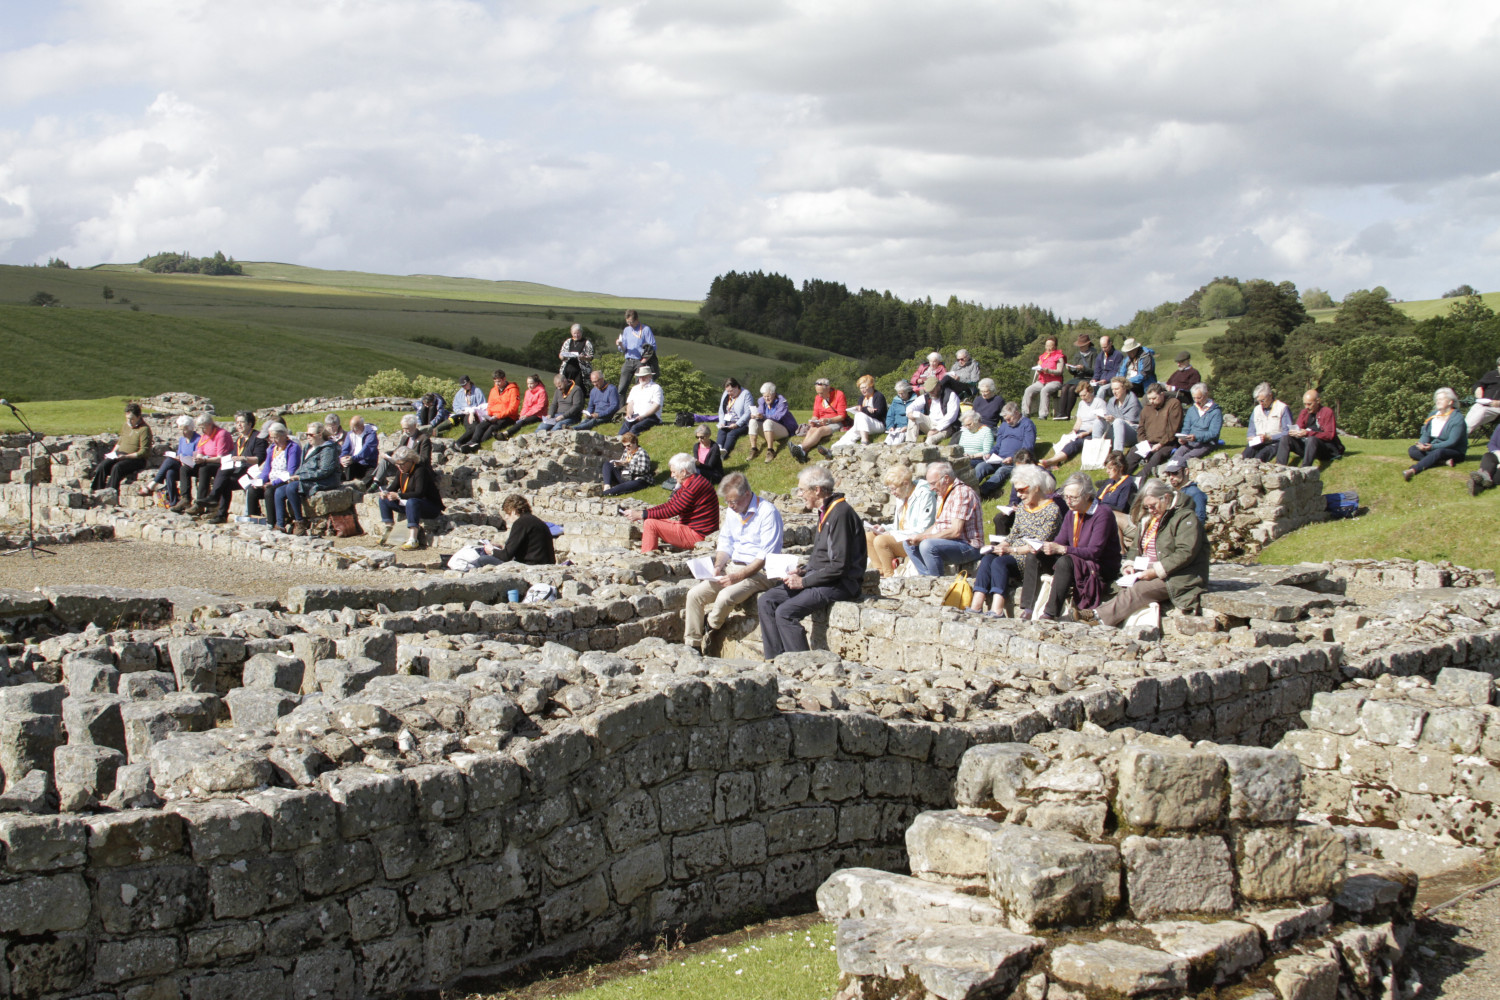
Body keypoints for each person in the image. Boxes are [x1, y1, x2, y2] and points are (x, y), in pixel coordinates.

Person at [758, 465, 866, 659]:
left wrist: (804, 582)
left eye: (802, 490)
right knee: (766, 600)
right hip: (822, 578)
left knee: (785, 613)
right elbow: (824, 557)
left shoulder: (840, 514)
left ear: (817, 490)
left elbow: (839, 566)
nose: (800, 495)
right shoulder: (826, 512)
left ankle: (803, 666)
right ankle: (774, 660)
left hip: (840, 583)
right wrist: (803, 571)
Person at [683, 472, 784, 652]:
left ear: (747, 494)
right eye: (727, 502)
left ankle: (710, 626)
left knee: (725, 596)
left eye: (733, 501)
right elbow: (726, 542)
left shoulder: (767, 512)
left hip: (759, 572)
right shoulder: (732, 511)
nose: (730, 506)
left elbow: (765, 555)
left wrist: (737, 576)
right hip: (732, 568)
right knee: (694, 595)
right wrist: (719, 565)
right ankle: (693, 645)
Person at [1096, 478, 1209, 627]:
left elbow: (1185, 552)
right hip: (1148, 570)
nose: (1150, 510)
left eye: (1153, 505)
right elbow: (1136, 547)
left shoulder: (1186, 518)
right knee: (1121, 586)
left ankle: (1098, 618)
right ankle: (1100, 614)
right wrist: (1130, 565)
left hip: (1179, 575)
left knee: (1138, 590)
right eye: (1147, 507)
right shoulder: (1148, 519)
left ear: (1166, 498)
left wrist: (1156, 571)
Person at [1020, 472, 1122, 622]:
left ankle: (1050, 613)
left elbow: (1094, 551)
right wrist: (1043, 547)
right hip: (1075, 559)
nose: (1068, 501)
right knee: (1034, 556)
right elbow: (1060, 541)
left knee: (1065, 561)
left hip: (1098, 565)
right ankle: (1028, 608)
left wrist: (1063, 549)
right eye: (1066, 497)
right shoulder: (1071, 513)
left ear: (1087, 496)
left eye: (1073, 498)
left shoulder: (1102, 514)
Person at [967, 465, 1061, 616]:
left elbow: (1038, 543)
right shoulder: (1023, 508)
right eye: (1017, 490)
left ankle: (997, 608)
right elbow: (1013, 535)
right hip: (1014, 552)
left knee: (999, 562)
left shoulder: (1052, 510)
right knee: (988, 558)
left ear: (1036, 487)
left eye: (1023, 490)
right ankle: (976, 603)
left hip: (1031, 558)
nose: (1019, 494)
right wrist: (1000, 546)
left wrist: (1011, 550)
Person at [903, 461, 983, 576]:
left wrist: (924, 537)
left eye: (933, 483)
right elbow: (937, 525)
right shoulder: (942, 494)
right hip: (949, 542)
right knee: (909, 544)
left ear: (946, 479)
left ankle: (936, 582)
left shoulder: (962, 493)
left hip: (968, 546)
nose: (931, 488)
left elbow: (955, 531)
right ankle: (926, 579)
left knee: (927, 545)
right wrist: (918, 537)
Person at [626, 453, 718, 552]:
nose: (672, 475)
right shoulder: (692, 482)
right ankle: (649, 552)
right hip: (693, 529)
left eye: (674, 472)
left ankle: (647, 558)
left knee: (650, 524)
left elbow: (674, 510)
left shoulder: (694, 486)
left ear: (683, 472)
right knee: (649, 518)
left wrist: (642, 514)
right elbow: (670, 504)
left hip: (698, 535)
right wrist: (643, 513)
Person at [865, 463, 938, 577]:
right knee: (868, 537)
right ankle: (879, 572)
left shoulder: (925, 496)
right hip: (901, 536)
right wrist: (884, 528)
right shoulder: (902, 495)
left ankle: (890, 576)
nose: (892, 493)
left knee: (881, 541)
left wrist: (893, 533)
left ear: (906, 484)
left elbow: (923, 529)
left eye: (894, 489)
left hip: (915, 540)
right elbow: (899, 524)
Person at [274, 423, 339, 535]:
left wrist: (300, 477)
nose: (307, 437)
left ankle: (300, 522)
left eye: (310, 434)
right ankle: (280, 524)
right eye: (306, 434)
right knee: (279, 491)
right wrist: (294, 476)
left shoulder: (328, 449)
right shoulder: (307, 447)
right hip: (306, 478)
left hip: (324, 480)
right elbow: (302, 467)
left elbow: (325, 471)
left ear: (319, 434)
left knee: (291, 488)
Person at [202, 411, 267, 524]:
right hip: (239, 470)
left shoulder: (258, 438)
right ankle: (221, 513)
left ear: (250, 424)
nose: (239, 425)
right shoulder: (239, 439)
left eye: (242, 422)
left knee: (224, 478)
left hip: (252, 472)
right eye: (237, 422)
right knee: (224, 478)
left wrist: (244, 458)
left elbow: (260, 459)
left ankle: (214, 498)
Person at [376, 445, 445, 550]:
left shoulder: (421, 471)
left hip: (429, 506)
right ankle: (388, 529)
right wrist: (385, 493)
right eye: (397, 465)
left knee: (412, 502)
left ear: (410, 461)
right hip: (409, 504)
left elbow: (419, 493)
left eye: (402, 464)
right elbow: (393, 487)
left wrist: (398, 495)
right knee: (383, 499)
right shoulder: (401, 471)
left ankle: (413, 539)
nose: (399, 467)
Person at [467, 495, 556, 566]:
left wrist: (492, 551)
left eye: (507, 513)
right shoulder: (537, 521)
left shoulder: (520, 523)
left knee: (482, 559)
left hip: (530, 565)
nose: (506, 517)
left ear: (513, 511)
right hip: (546, 563)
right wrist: (501, 548)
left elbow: (506, 556)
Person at [974, 402, 1037, 498]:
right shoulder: (1004, 425)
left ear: (1016, 413)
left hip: (1014, 461)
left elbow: (1028, 447)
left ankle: (980, 493)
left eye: (1009, 419)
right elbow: (998, 444)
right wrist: (990, 454)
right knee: (980, 467)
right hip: (998, 458)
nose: (1007, 422)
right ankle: (969, 488)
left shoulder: (1027, 424)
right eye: (1005, 419)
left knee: (1001, 472)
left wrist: (1013, 458)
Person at [173, 413, 233, 514]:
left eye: (203, 428)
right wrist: (198, 458)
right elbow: (200, 451)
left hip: (218, 464)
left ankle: (200, 503)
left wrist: (204, 460)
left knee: (204, 469)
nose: (202, 431)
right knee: (185, 469)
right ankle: (185, 498)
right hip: (204, 462)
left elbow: (221, 457)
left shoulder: (221, 434)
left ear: (209, 425)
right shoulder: (205, 436)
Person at [1040, 381, 1107, 471]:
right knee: (1066, 439)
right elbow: (1079, 420)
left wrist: (1086, 433)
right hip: (1081, 431)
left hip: (1092, 432)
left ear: (1090, 392)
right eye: (1081, 396)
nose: (1083, 398)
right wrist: (1074, 430)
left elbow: (1100, 422)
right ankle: (1054, 463)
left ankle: (1050, 461)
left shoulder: (1099, 402)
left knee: (1075, 443)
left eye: (1085, 395)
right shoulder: (1081, 404)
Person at [1404, 387, 1467, 481]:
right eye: (1437, 399)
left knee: (1439, 452)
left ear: (1450, 402)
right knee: (1412, 450)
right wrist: (1422, 445)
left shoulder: (1457, 419)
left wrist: (1432, 447)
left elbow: (1452, 442)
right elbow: (1426, 434)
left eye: (1441, 399)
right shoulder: (1433, 415)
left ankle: (1413, 470)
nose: (1438, 401)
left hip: (1453, 450)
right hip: (1434, 448)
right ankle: (1443, 462)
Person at [1123, 383, 1183, 480]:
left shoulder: (1173, 404)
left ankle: (1138, 479)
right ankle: (1120, 477)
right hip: (1148, 442)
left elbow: (1172, 429)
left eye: (1154, 398)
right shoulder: (1147, 409)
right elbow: (1141, 428)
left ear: (1162, 394)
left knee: (1157, 456)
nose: (1152, 401)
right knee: (1133, 452)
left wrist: (1160, 444)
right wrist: (1143, 442)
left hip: (1167, 443)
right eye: (1149, 399)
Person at [243, 423, 299, 524]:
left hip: (284, 480)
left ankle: (271, 522)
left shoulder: (292, 448)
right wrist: (260, 481)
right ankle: (253, 520)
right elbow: (266, 469)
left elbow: (291, 471)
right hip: (271, 479)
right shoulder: (271, 449)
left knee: (269, 491)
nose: (273, 441)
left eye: (276, 438)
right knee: (252, 490)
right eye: (272, 438)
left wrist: (273, 483)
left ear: (283, 435)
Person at [91, 402, 153, 492]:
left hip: (136, 459)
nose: (129, 421)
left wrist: (126, 456)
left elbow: (144, 452)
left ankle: (110, 492)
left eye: (132, 419)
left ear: (138, 417)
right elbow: (120, 442)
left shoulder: (144, 429)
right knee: (103, 466)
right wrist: (112, 453)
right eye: (127, 418)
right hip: (121, 454)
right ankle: (95, 490)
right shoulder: (126, 425)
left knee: (117, 467)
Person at [455, 370, 520, 452]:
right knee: (480, 426)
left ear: (504, 379)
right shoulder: (493, 390)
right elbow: (490, 405)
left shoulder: (513, 390)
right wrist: (490, 415)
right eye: (495, 382)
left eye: (499, 381)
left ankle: (476, 444)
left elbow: (513, 408)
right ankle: (472, 442)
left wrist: (498, 416)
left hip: (508, 417)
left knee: (492, 428)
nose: (497, 384)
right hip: (493, 416)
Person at [367, 413, 432, 490]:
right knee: (385, 460)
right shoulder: (405, 437)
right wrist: (388, 454)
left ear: (414, 425)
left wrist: (409, 458)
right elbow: (397, 451)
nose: (405, 431)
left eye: (407, 428)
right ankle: (376, 483)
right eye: (403, 428)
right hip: (401, 464)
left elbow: (425, 459)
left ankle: (372, 482)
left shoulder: (423, 439)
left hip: (413, 466)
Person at [791, 378, 850, 461]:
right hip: (821, 421)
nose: (819, 396)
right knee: (812, 429)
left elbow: (842, 416)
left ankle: (800, 447)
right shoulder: (818, 398)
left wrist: (828, 420)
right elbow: (815, 414)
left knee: (820, 430)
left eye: (821, 393)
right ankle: (803, 452)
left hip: (835, 421)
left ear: (828, 388)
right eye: (818, 393)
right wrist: (813, 420)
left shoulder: (839, 395)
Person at [1284, 388, 1342, 467]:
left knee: (1312, 439)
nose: (1307, 407)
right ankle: (1279, 466)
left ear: (1318, 401)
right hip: (1308, 447)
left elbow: (1329, 435)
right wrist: (1295, 432)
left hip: (1324, 448)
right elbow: (1299, 427)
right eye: (1305, 404)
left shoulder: (1327, 412)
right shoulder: (1304, 412)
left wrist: (1308, 433)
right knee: (1286, 438)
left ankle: (1305, 469)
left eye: (1309, 404)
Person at [1169, 384, 1223, 465]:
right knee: (1176, 455)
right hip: (1190, 442)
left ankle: (1177, 471)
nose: (1196, 401)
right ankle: (1168, 472)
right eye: (1194, 398)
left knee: (1187, 457)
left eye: (1199, 397)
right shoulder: (1192, 410)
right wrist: (1183, 437)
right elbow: (1186, 427)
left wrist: (1196, 437)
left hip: (1207, 443)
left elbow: (1214, 433)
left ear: (1206, 394)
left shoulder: (1216, 412)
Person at [1241, 383, 1292, 462]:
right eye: (1258, 401)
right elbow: (1251, 430)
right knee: (1243, 457)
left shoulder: (1282, 408)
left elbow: (1288, 432)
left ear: (1270, 395)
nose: (1261, 403)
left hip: (1275, 442)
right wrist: (1251, 437)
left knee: (1258, 459)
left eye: (1263, 400)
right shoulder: (1256, 409)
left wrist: (1269, 437)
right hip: (1258, 442)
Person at [748, 382, 796, 462]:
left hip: (783, 429)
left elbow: (778, 417)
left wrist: (763, 416)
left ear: (774, 394)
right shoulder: (761, 401)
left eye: (768, 396)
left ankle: (770, 450)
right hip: (768, 429)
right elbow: (760, 413)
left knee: (768, 422)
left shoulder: (782, 401)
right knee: (752, 421)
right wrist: (756, 416)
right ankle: (754, 448)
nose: (766, 398)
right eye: (764, 396)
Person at [1021, 336, 1067, 419]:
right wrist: (1039, 370)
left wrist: (1048, 371)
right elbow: (1039, 367)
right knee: (1028, 390)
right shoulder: (1043, 357)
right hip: (1042, 381)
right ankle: (1025, 413)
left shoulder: (1059, 357)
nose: (1048, 348)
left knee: (1044, 390)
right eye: (1047, 346)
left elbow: (1060, 371)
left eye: (1050, 346)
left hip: (1055, 381)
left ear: (1055, 346)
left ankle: (1043, 414)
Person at [1055, 333, 1099, 420]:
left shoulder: (1094, 354)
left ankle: (1067, 414)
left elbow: (1095, 371)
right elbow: (1074, 372)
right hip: (1077, 378)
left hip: (1088, 379)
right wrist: (1071, 369)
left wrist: (1084, 369)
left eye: (1082, 345)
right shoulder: (1077, 355)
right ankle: (1061, 413)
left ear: (1087, 344)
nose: (1080, 347)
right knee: (1065, 387)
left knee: (1072, 389)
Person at [835, 376, 888, 447]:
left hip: (879, 424)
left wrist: (864, 409)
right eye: (861, 388)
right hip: (865, 425)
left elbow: (878, 414)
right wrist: (866, 409)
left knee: (860, 415)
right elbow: (861, 409)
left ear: (871, 386)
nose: (863, 390)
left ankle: (865, 441)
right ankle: (833, 448)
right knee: (850, 433)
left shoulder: (878, 396)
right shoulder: (862, 398)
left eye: (865, 387)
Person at [906, 377, 961, 445]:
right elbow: (912, 406)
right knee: (913, 415)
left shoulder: (951, 395)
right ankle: (909, 444)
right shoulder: (927, 396)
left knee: (930, 439)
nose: (931, 393)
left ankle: (923, 451)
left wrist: (937, 429)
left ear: (939, 386)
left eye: (933, 390)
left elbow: (951, 417)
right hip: (931, 423)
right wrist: (909, 413)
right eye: (929, 391)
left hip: (947, 427)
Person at [1095, 451, 1138, 535]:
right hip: (1101, 512)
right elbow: (1096, 498)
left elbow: (1121, 508)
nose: (1107, 471)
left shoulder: (1128, 484)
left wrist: (1101, 507)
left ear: (1120, 467)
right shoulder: (1110, 482)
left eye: (1110, 468)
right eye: (1107, 468)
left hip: (1116, 516)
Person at [616, 309, 656, 393]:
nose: (630, 324)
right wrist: (620, 344)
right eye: (628, 322)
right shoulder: (626, 330)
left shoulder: (646, 329)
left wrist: (643, 361)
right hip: (629, 360)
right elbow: (624, 349)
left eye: (631, 322)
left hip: (640, 360)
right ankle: (621, 405)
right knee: (621, 388)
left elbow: (652, 347)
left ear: (637, 319)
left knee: (640, 386)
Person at [498, 374, 549, 439]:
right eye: (528, 384)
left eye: (531, 383)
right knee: (519, 421)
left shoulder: (542, 391)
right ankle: (505, 434)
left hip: (538, 415)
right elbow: (525, 405)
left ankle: (506, 433)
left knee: (523, 422)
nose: (529, 386)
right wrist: (522, 415)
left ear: (536, 383)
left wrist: (526, 415)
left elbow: (539, 406)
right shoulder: (527, 392)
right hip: (528, 414)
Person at [619, 366, 665, 436]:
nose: (641, 378)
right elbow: (630, 403)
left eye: (644, 376)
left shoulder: (656, 388)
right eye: (640, 376)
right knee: (624, 429)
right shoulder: (635, 388)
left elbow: (656, 406)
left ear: (650, 376)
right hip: (635, 416)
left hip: (651, 417)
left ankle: (629, 444)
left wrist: (643, 416)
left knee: (635, 428)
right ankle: (617, 443)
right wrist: (629, 414)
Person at [1101, 376, 1141, 453]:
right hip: (1115, 430)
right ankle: (1096, 452)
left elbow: (1130, 422)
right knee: (1097, 422)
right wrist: (1104, 418)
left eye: (1117, 389)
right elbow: (1109, 417)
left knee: (1118, 422)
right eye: (1112, 389)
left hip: (1132, 433)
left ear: (1124, 388)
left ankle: (1117, 453)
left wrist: (1114, 420)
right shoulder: (1112, 401)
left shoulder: (1132, 401)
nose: (1114, 392)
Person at [1160, 459, 1208, 523]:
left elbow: (1199, 520)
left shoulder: (1195, 493)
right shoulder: (1172, 493)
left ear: (1186, 471)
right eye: (1169, 474)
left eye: (1175, 473)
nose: (1171, 477)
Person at [715, 378, 752, 454]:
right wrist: (722, 422)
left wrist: (737, 424)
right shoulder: (726, 394)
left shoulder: (746, 394)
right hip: (728, 422)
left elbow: (748, 413)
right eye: (727, 391)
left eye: (731, 391)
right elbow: (721, 411)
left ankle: (724, 452)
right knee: (721, 431)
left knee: (731, 434)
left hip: (742, 424)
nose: (729, 393)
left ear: (737, 387)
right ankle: (717, 450)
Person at [339, 415, 380, 481]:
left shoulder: (371, 434)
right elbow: (345, 448)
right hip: (354, 463)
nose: (353, 430)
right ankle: (348, 484)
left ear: (361, 426)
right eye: (351, 428)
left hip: (368, 465)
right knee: (347, 463)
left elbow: (367, 450)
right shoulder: (350, 434)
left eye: (355, 428)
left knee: (371, 477)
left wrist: (353, 458)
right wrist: (342, 458)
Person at [1465, 357, 1500, 434]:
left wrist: (1498, 403)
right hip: (1483, 403)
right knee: (1474, 410)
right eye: (1499, 365)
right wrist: (1477, 388)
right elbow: (1478, 384)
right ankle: (1459, 433)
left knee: (1482, 411)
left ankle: (1460, 436)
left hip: (1496, 408)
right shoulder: (1491, 374)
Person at [1468, 424, 1500, 495]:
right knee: (1488, 456)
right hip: (1498, 456)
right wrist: (1498, 453)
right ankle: (1484, 477)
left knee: (1495, 476)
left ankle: (1477, 484)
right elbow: (1491, 444)